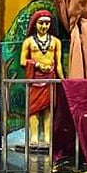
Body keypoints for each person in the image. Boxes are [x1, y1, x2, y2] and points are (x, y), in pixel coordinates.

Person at [19, 9, 63, 147]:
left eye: (47, 23)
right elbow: (22, 61)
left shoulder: (56, 42)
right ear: (35, 24)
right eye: (41, 23)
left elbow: (58, 63)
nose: (44, 26)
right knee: (34, 109)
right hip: (35, 79)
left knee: (48, 109)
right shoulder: (28, 42)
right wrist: (37, 65)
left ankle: (48, 137)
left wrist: (63, 80)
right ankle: (34, 137)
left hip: (50, 78)